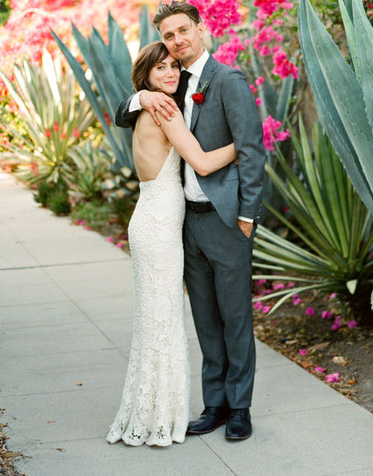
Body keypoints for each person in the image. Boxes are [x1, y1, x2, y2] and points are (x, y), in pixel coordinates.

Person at [116, 1, 265, 442]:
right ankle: (213, 405)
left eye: (184, 31)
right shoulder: (169, 83)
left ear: (201, 29)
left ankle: (240, 408)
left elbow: (253, 151)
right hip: (185, 223)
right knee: (204, 318)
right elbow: (125, 112)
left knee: (235, 316)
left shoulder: (228, 80)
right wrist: (141, 95)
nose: (178, 41)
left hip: (224, 219)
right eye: (168, 36)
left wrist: (246, 215)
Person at [106, 41, 237, 447]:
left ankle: (147, 409)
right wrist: (247, 142)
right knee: (162, 322)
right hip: (160, 227)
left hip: (149, 221)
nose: (171, 74)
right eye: (160, 68)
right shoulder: (165, 109)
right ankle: (160, 414)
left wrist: (142, 94)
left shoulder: (147, 107)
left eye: (175, 67)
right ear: (145, 76)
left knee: (154, 322)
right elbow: (202, 162)